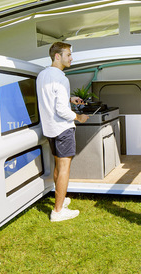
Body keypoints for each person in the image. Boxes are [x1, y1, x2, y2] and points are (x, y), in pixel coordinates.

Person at [37, 41, 88, 222]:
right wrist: (79, 117)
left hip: (50, 129)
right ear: (57, 56)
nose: (71, 58)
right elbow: (62, 111)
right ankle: (58, 211)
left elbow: (50, 99)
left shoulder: (42, 75)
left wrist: (69, 98)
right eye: (68, 55)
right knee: (64, 169)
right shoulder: (61, 78)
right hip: (63, 129)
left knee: (59, 166)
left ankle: (60, 199)